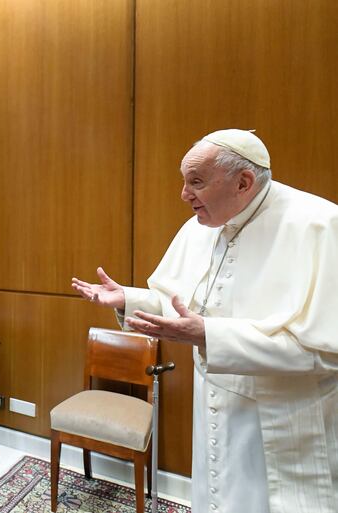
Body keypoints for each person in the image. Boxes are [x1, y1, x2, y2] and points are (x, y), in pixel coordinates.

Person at [72, 129, 338, 513]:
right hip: (213, 411)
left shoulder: (320, 225)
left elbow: (326, 351)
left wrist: (210, 335)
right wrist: (130, 298)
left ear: (243, 182)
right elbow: (181, 304)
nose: (184, 195)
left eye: (196, 182)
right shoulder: (203, 226)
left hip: (280, 423)